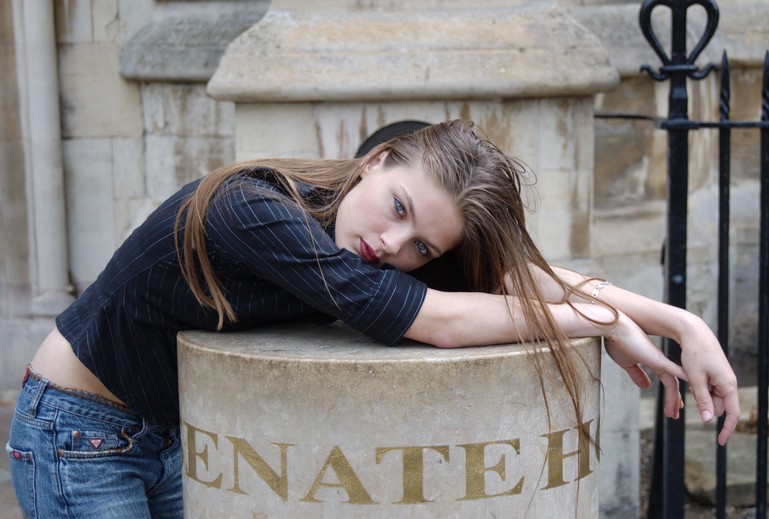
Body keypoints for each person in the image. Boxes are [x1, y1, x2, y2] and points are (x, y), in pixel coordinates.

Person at [6, 119, 738, 518]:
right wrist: (601, 322)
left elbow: (522, 276)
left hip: (167, 435)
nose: (393, 245)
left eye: (423, 246)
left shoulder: (362, 241)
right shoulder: (252, 209)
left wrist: (680, 323)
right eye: (398, 208)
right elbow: (442, 322)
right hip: (79, 431)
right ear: (376, 160)